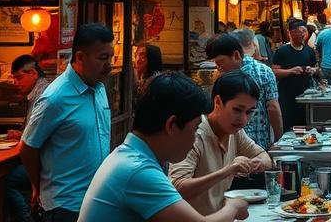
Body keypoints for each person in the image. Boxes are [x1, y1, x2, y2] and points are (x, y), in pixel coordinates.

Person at [80, 74, 250, 222]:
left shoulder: (132, 156)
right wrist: (233, 207)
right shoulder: (138, 170)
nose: (194, 139)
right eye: (195, 128)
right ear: (171, 125)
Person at [20, 23, 115, 221]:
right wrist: (37, 186)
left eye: (110, 57)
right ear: (80, 57)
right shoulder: (55, 98)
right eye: (102, 58)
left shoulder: (99, 88)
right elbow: (28, 146)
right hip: (64, 206)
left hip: (96, 199)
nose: (109, 65)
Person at [169, 71, 273, 214]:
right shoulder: (195, 134)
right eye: (237, 110)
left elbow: (265, 158)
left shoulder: (236, 133)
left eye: (249, 112)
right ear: (217, 102)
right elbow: (177, 188)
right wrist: (228, 170)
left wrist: (258, 164)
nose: (243, 120)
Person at [207, 31, 282, 152]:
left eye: (220, 62)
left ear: (236, 55)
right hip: (254, 142)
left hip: (246, 143)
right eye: (215, 63)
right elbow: (273, 107)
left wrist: (279, 139)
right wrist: (279, 139)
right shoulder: (264, 70)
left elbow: (272, 107)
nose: (218, 67)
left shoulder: (260, 72)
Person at [4, 55, 50, 222]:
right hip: (45, 158)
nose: (16, 83)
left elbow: (34, 141)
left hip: (46, 161)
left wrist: (34, 181)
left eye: (19, 78)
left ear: (33, 73)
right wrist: (22, 133)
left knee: (9, 182)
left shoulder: (42, 95)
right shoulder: (40, 91)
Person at [270, 17, 319, 129]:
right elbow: (274, 72)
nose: (302, 35)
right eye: (299, 32)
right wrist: (290, 71)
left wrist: (313, 70)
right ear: (291, 33)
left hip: (306, 96)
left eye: (304, 31)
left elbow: (317, 69)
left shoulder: (309, 51)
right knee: (289, 127)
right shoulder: (282, 51)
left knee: (306, 126)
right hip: (287, 97)